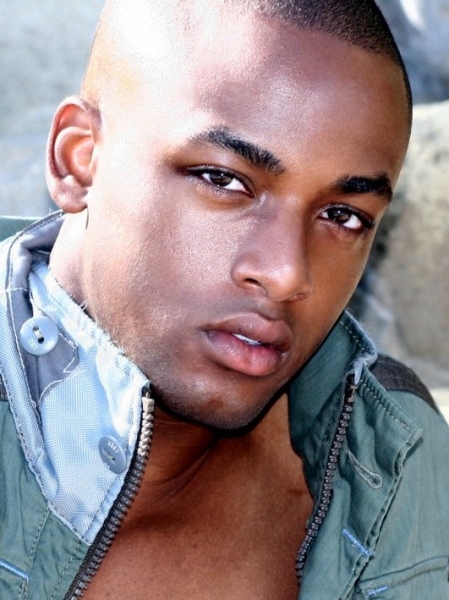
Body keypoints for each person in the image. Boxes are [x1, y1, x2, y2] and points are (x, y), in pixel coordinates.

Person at [1, 0, 448, 598]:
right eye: (224, 180)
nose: (286, 274)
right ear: (79, 160)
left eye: (342, 215)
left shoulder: (397, 460)